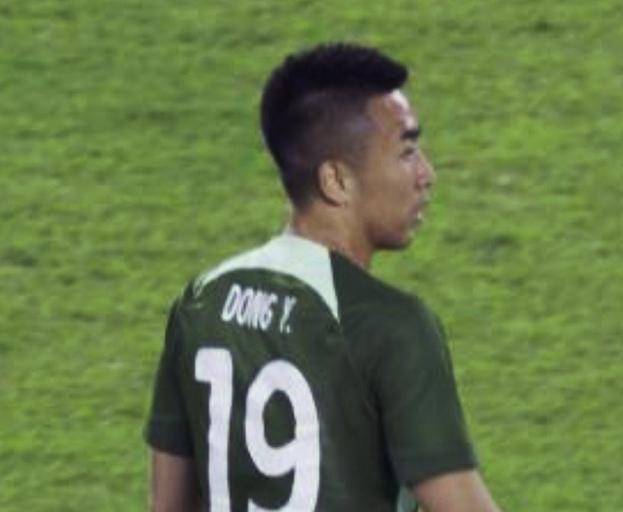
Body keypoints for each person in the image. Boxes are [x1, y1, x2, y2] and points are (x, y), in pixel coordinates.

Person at [145, 42, 501, 512]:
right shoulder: (390, 327)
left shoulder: (201, 302)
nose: (426, 174)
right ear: (336, 180)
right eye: (407, 152)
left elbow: (167, 506)